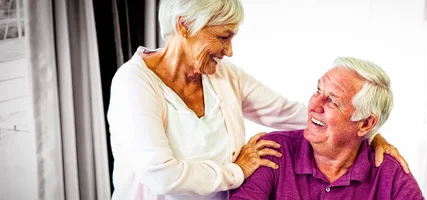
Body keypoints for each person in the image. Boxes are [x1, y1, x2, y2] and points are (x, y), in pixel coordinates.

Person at [106, 0, 409, 199]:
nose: (229, 51)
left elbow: (299, 113)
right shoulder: (134, 83)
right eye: (223, 37)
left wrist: (367, 132)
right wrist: (237, 171)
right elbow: (160, 173)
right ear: (185, 25)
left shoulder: (223, 76)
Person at [230, 57, 424, 200]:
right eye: (318, 91)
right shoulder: (273, 151)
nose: (314, 104)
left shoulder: (389, 171)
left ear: (365, 124)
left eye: (332, 100)